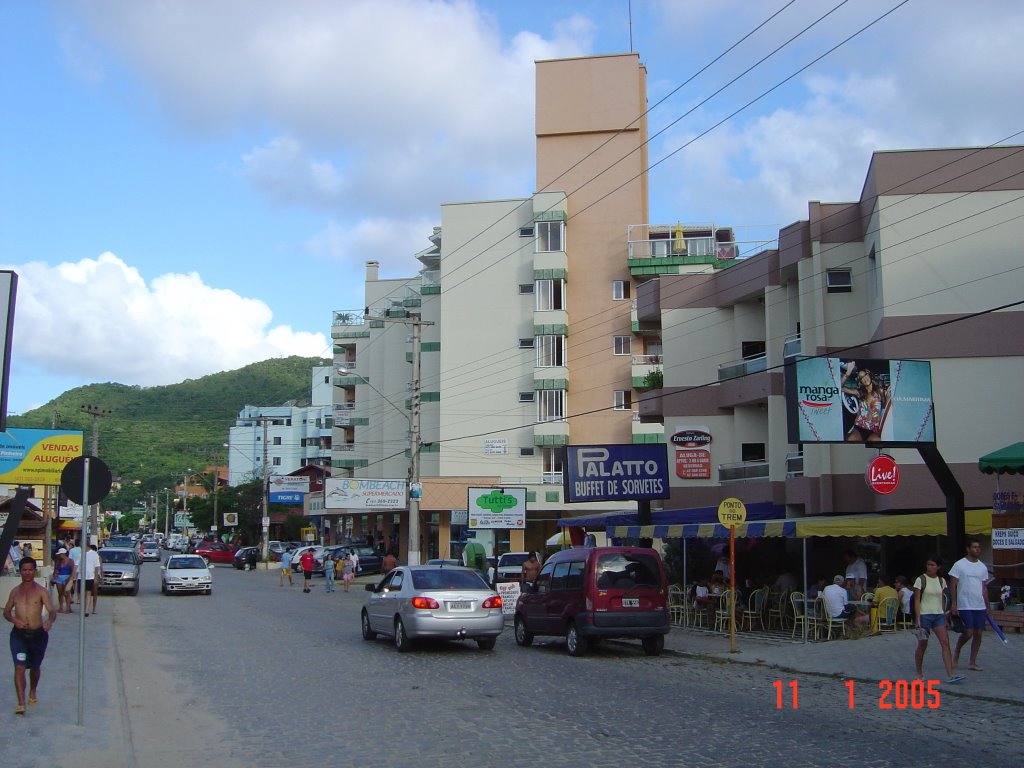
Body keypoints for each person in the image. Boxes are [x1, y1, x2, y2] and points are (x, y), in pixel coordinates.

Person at [3, 557, 57, 715]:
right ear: (20, 571)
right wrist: (14, 620)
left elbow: (52, 610)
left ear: (35, 571)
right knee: (19, 667)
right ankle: (21, 703)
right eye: (24, 570)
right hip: (19, 635)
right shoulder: (15, 592)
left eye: (30, 570)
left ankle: (33, 690)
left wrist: (49, 621)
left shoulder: (41, 591)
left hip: (38, 635)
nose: (27, 572)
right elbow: (6, 612)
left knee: (34, 667)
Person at [912, 557, 963, 684]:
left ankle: (951, 674)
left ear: (938, 567)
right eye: (928, 564)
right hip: (924, 615)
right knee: (923, 644)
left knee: (945, 642)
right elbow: (917, 599)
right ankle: (919, 673)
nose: (929, 567)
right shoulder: (921, 579)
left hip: (938, 615)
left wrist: (945, 616)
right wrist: (917, 618)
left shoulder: (941, 581)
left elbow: (942, 598)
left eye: (932, 565)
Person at [950, 539, 991, 672]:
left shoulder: (982, 567)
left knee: (978, 633)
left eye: (979, 547)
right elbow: (953, 585)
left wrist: (987, 604)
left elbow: (984, 587)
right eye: (974, 547)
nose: (977, 549)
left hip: (979, 604)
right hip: (965, 604)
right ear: (968, 549)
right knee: (969, 631)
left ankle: (972, 662)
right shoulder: (959, 565)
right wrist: (954, 603)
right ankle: (957, 650)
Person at [841, 362, 890, 442]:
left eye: (865, 375)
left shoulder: (880, 391)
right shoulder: (859, 392)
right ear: (860, 382)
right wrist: (848, 372)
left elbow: (885, 409)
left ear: (869, 374)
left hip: (873, 430)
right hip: (859, 428)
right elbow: (839, 388)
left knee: (879, 441)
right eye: (861, 378)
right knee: (851, 440)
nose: (864, 378)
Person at [49, 548, 75, 614]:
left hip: (67, 577)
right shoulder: (58, 561)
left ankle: (68, 608)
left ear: (63, 554)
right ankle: (61, 608)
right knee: (60, 593)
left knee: (67, 593)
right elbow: (55, 570)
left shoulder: (70, 561)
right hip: (59, 578)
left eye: (60, 554)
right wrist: (54, 577)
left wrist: (70, 579)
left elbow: (72, 571)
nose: (59, 556)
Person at [83, 544, 101, 616]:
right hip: (89, 577)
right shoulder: (85, 555)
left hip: (94, 576)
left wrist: (98, 577)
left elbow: (100, 567)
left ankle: (93, 608)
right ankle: (88, 608)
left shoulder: (97, 556)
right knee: (89, 593)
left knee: (94, 593)